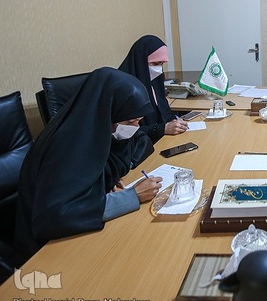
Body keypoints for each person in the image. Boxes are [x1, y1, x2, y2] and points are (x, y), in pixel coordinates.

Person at [15, 67, 163, 263]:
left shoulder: (96, 127)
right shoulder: (69, 144)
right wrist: (132, 196)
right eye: (130, 122)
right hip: (44, 251)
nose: (135, 128)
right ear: (107, 112)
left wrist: (102, 180)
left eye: (138, 121)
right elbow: (55, 216)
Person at [119, 35, 187, 143]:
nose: (158, 69)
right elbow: (124, 133)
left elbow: (164, 111)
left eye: (162, 64)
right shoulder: (125, 88)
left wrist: (174, 122)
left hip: (160, 140)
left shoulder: (155, 80)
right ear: (141, 61)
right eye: (155, 63)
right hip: (138, 147)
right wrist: (162, 129)